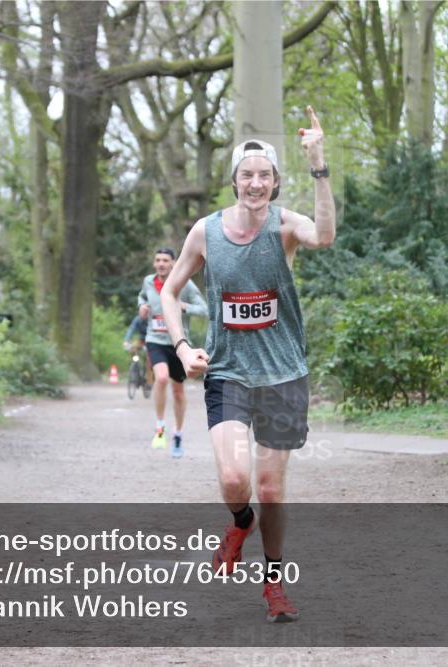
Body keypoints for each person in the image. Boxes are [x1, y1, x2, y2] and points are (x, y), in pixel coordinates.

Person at [161, 106, 335, 622]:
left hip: (283, 374)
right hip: (228, 371)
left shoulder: (286, 226)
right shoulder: (206, 232)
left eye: (264, 175)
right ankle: (239, 523)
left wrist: (319, 164)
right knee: (237, 479)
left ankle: (274, 583)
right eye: (246, 175)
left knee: (271, 488)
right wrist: (182, 346)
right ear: (234, 181)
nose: (255, 183)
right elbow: (171, 294)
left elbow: (324, 235)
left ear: (276, 182)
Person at [137, 247, 207, 458]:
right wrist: (142, 307)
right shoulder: (148, 281)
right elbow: (141, 298)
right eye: (157, 260)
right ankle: (160, 427)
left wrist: (184, 307)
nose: (160, 264)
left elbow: (204, 309)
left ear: (174, 263)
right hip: (155, 340)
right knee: (160, 378)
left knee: (178, 390)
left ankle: (177, 432)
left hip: (178, 343)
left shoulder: (184, 283)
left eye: (165, 260)